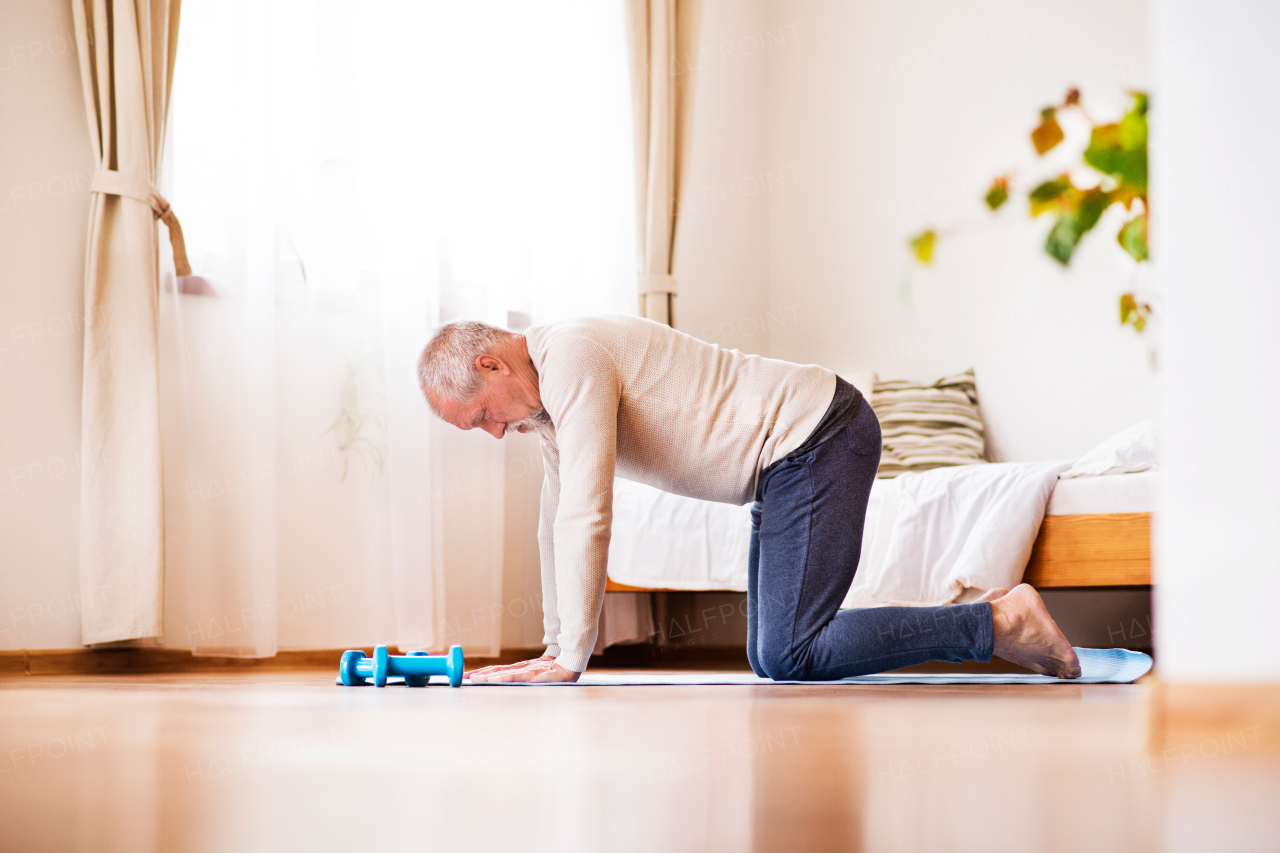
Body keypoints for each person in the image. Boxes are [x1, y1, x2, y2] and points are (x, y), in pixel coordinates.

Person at [417, 314, 1081, 683]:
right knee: (775, 656)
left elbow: (588, 513)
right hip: (783, 467)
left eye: (482, 418)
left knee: (793, 652)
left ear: (491, 366)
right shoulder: (546, 409)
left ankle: (997, 623)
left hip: (822, 432)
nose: (497, 432)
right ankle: (994, 622)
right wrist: (552, 644)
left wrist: (572, 659)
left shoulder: (571, 357)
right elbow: (553, 524)